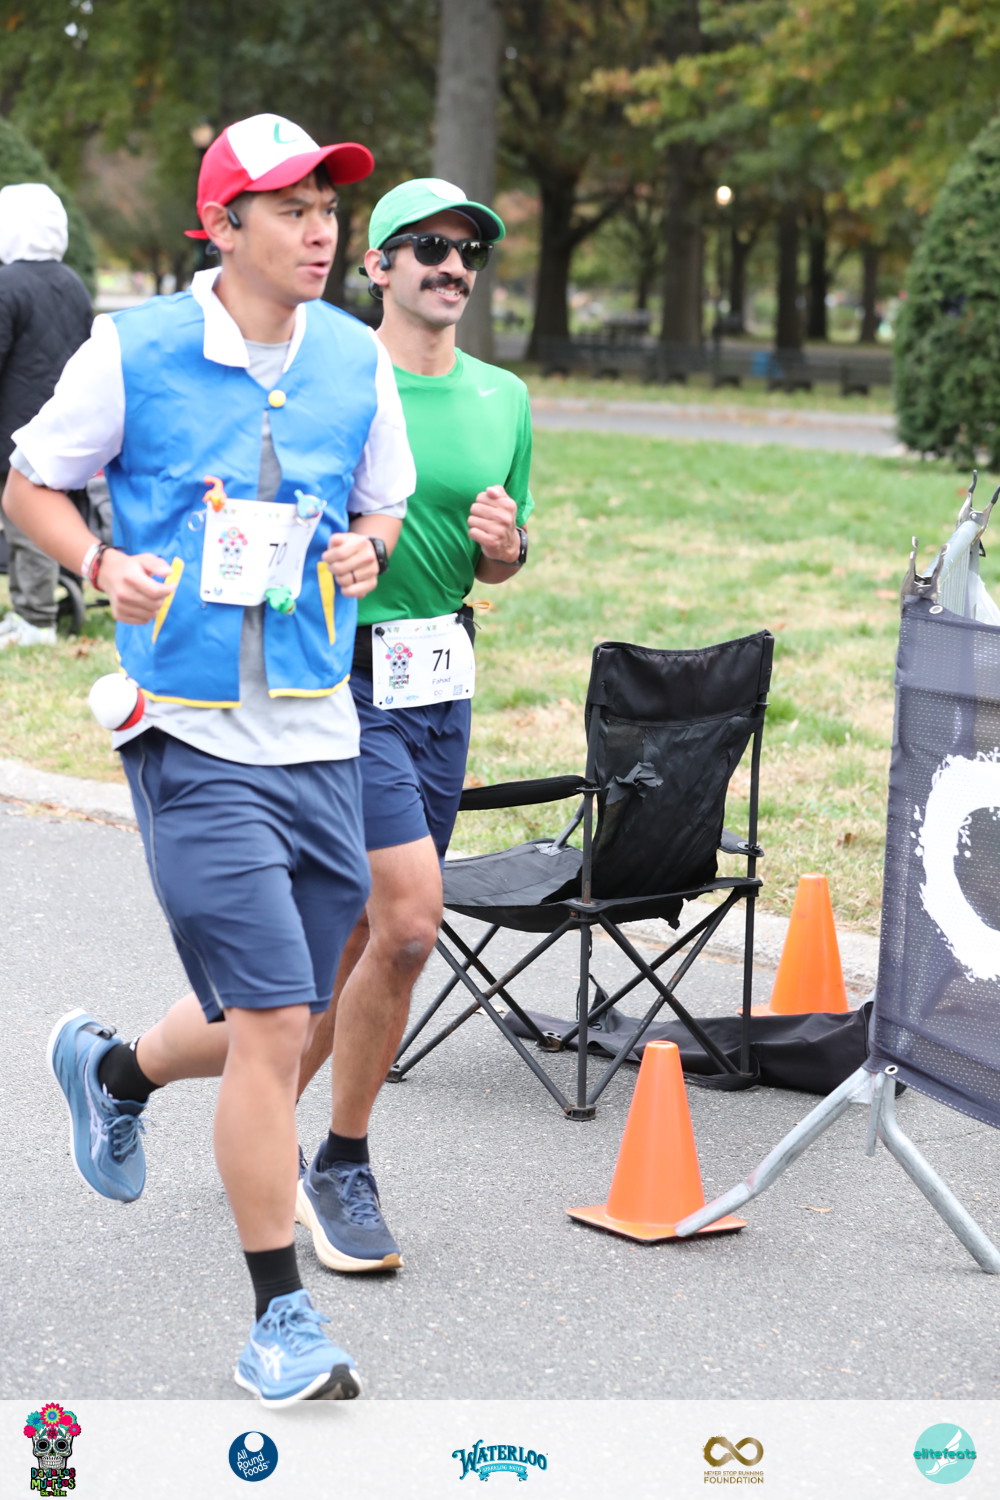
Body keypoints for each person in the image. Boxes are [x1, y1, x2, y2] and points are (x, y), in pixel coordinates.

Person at [2, 114, 415, 1405]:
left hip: (322, 731)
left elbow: (385, 500)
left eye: (328, 208)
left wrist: (367, 547)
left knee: (262, 1012)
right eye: (291, 208)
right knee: (281, 1022)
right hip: (189, 733)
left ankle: (111, 1069)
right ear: (224, 227)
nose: (320, 231)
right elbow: (28, 480)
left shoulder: (355, 356)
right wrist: (98, 562)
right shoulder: (135, 349)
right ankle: (278, 1320)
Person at [292, 177, 533, 1273]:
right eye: (427, 246)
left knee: (359, 938)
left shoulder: (503, 397)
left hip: (440, 677)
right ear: (376, 266)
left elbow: (501, 558)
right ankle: (340, 1163)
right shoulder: (336, 379)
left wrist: (504, 550)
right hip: (344, 674)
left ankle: (200, 1099)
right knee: (407, 926)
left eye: (468, 250)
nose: (452, 265)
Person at [0, 182, 91, 647]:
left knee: (23, 524)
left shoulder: (8, 283)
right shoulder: (72, 283)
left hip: (14, 425)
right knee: (46, 517)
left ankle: (35, 620)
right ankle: (39, 604)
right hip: (64, 422)